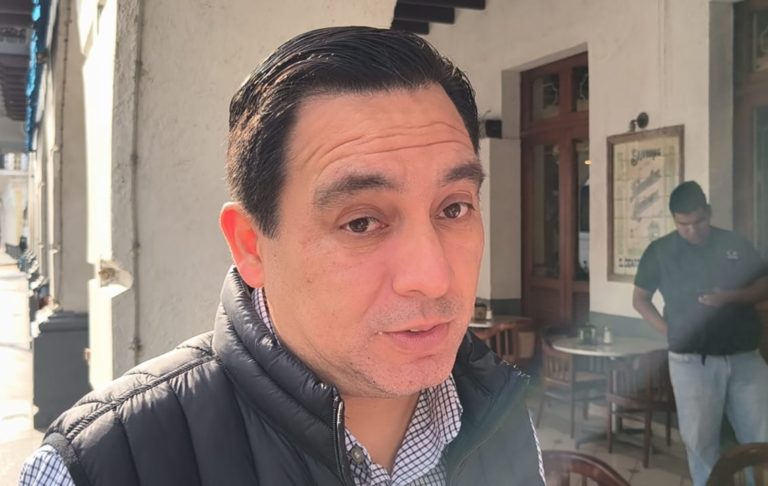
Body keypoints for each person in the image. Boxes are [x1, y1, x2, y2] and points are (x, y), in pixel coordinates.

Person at [19, 27, 544, 485]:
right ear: (251, 246)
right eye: (361, 222)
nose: (432, 277)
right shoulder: (101, 465)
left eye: (453, 208)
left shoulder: (500, 414)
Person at [632, 180, 768, 486]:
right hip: (692, 362)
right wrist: (670, 332)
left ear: (709, 212)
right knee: (700, 442)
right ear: (674, 220)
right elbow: (640, 299)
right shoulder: (660, 251)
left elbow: (764, 284)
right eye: (684, 225)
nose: (693, 231)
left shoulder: (734, 243)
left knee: (761, 437)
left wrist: (732, 297)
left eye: (699, 221)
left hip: (745, 357)